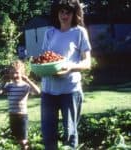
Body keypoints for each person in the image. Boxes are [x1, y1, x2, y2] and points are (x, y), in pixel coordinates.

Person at [40, 0, 92, 149]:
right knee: (48, 135)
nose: (64, 15)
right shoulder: (49, 32)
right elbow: (44, 59)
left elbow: (87, 63)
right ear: (57, 13)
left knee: (69, 134)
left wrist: (70, 68)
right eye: (61, 11)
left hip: (70, 90)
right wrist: (42, 68)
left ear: (74, 13)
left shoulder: (79, 32)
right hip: (48, 91)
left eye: (68, 12)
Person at [0, 60, 40, 150]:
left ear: (22, 73)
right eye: (11, 73)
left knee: (23, 140)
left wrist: (28, 80)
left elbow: (37, 91)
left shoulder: (25, 86)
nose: (14, 75)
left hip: (22, 116)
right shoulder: (9, 85)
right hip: (12, 115)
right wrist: (3, 82)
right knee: (15, 139)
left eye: (16, 73)